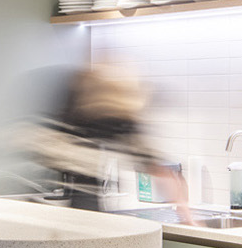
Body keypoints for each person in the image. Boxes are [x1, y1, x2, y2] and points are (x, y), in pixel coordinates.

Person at [25, 61, 191, 218]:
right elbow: (156, 168)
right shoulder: (111, 117)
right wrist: (185, 210)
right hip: (81, 208)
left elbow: (153, 165)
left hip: (78, 205)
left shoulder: (85, 114)